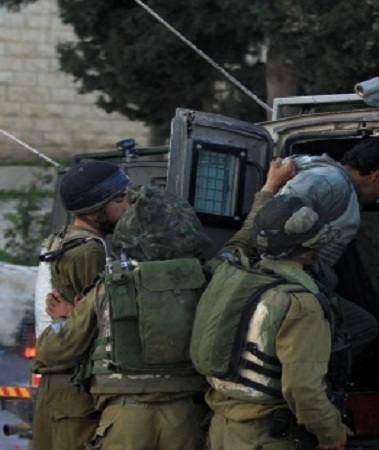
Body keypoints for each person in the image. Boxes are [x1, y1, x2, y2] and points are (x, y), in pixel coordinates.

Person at [37, 186, 212, 450]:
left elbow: (52, 351)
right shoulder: (207, 282)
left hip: (125, 415)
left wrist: (64, 320)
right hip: (187, 416)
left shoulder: (111, 286)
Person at [222, 137, 379, 355]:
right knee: (361, 326)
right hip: (285, 282)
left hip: (296, 281)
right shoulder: (330, 182)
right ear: (377, 176)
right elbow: (274, 226)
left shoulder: (338, 185)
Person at [199, 194, 350, 450]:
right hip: (267, 436)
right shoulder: (300, 303)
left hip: (222, 430)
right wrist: (331, 431)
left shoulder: (233, 280)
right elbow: (303, 390)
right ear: (313, 244)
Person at [31, 160, 130, 450]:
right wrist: (73, 319)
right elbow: (96, 323)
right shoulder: (88, 252)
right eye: (118, 200)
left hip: (60, 383)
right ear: (93, 209)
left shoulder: (62, 239)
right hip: (74, 387)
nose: (126, 207)